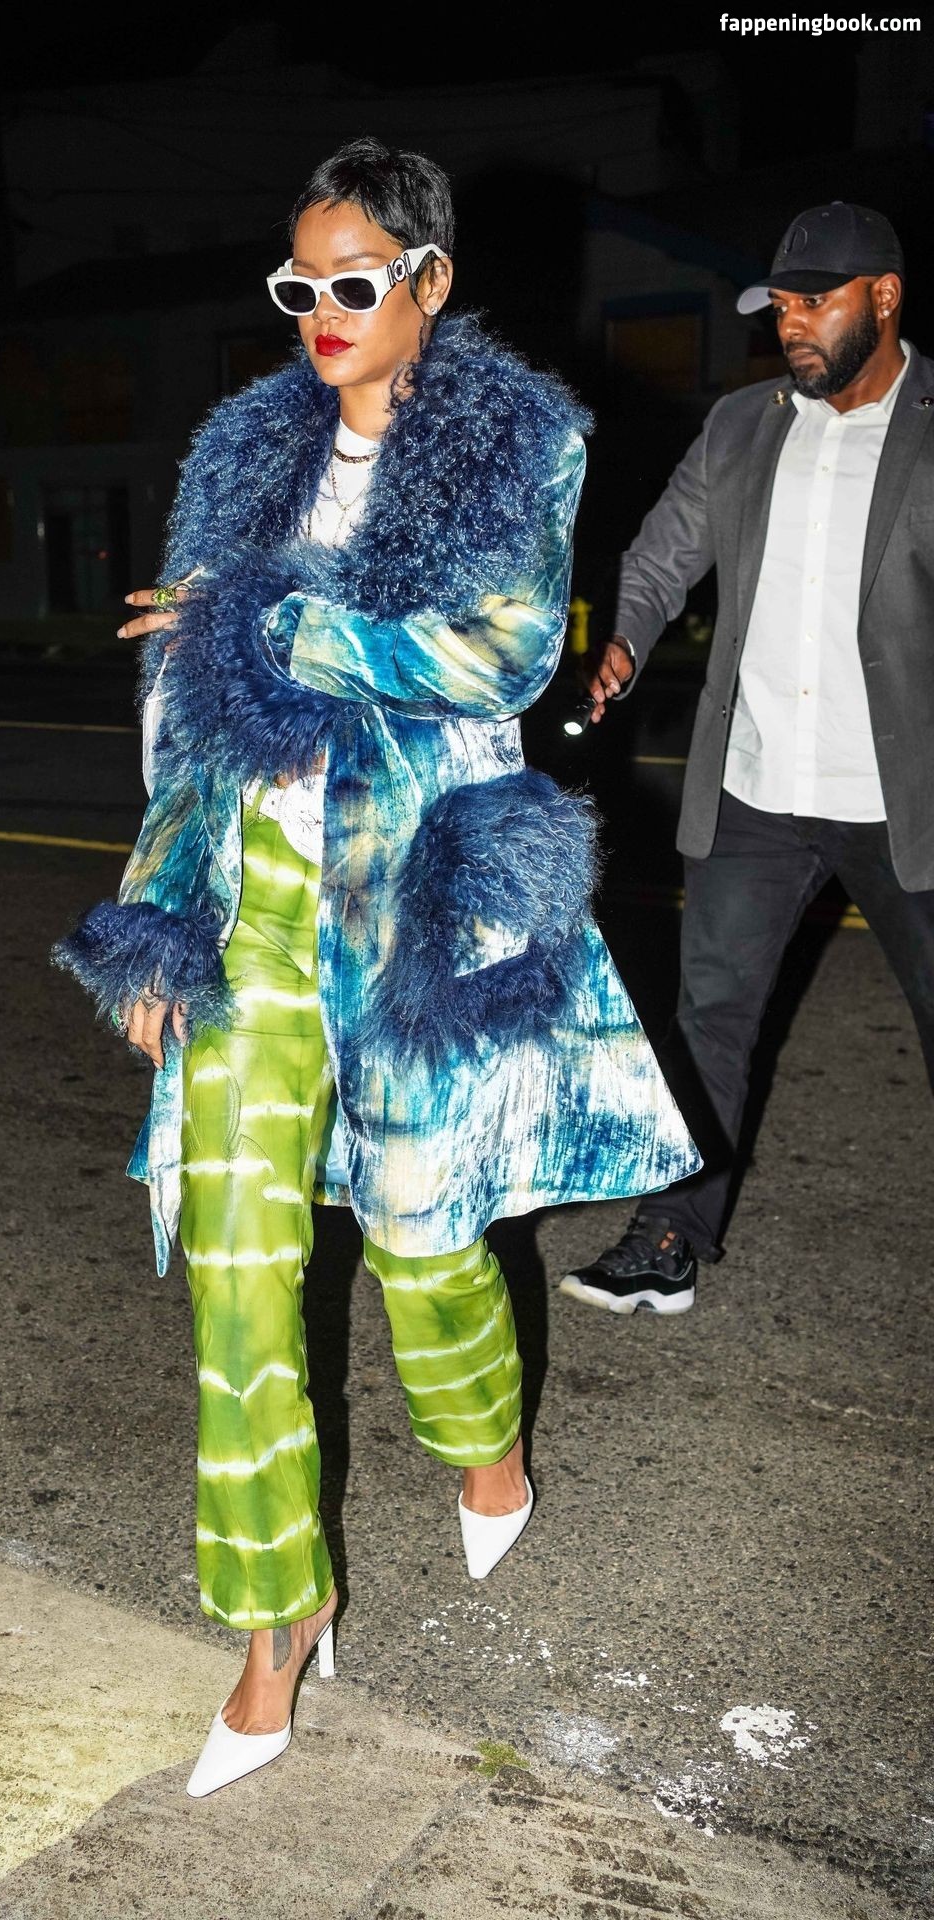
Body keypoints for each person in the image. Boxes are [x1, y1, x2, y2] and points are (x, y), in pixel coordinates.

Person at [55, 138, 698, 1796]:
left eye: (353, 281)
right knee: (235, 1261)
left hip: (412, 899)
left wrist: (269, 620)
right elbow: (181, 721)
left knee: (421, 1232)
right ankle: (278, 1617)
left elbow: (495, 654)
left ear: (430, 280)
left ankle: (486, 1442)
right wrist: (159, 917)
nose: (321, 312)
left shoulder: (518, 443)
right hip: (256, 902)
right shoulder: (242, 457)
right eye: (299, 284)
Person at [562, 202, 934, 1317]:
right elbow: (658, 557)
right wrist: (623, 638)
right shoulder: (741, 425)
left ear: (883, 296)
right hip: (756, 789)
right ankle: (669, 1235)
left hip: (904, 800)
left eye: (814, 301)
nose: (792, 325)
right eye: (779, 307)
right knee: (707, 1020)